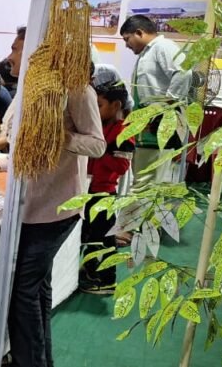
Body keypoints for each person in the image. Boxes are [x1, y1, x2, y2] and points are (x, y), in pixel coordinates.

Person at [8, 84, 105, 367]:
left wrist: (59, 135)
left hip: (58, 206)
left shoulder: (78, 90)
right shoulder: (31, 83)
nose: (14, 60)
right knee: (37, 288)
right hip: (33, 203)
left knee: (24, 289)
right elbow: (12, 128)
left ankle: (28, 361)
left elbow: (97, 145)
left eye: (16, 57)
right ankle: (40, 360)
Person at [121, 14, 190, 188]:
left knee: (145, 185)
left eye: (127, 39)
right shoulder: (147, 53)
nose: (126, 45)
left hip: (156, 127)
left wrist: (168, 104)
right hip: (146, 127)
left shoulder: (163, 47)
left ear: (139, 32)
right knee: (142, 181)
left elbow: (183, 72)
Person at [81, 82, 134, 295]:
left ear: (116, 105)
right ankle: (92, 271)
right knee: (90, 235)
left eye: (99, 105)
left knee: (103, 239)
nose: (95, 109)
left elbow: (122, 165)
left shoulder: (124, 131)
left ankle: (107, 280)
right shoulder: (99, 125)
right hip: (88, 189)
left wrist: (100, 151)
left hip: (104, 193)